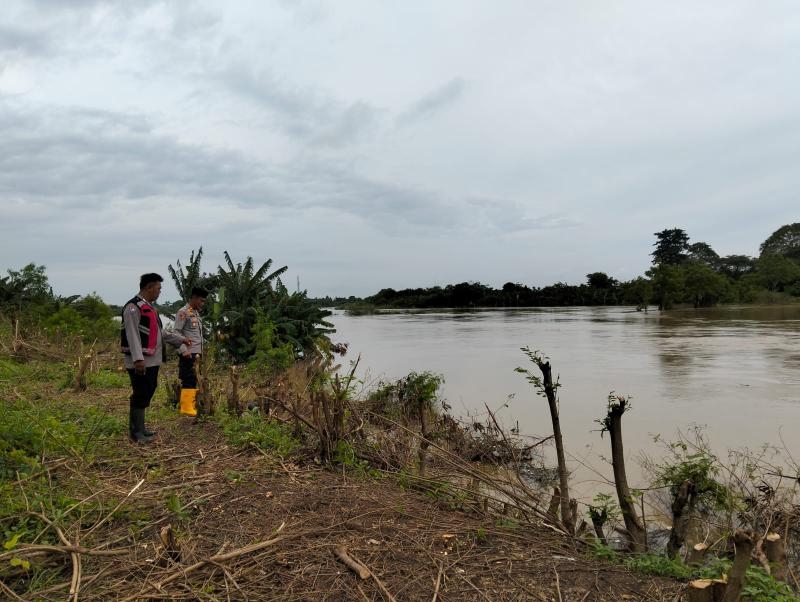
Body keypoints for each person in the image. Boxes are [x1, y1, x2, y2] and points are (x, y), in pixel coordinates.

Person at [121, 273, 189, 443]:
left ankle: (141, 429)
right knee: (141, 392)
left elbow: (161, 333)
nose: (159, 292)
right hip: (142, 361)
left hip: (152, 360)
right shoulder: (133, 307)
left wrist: (181, 340)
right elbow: (132, 334)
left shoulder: (149, 307)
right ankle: (136, 433)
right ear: (149, 287)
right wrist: (138, 359)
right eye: (158, 288)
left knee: (148, 390)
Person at [172, 286, 208, 416]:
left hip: (197, 354)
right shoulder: (183, 312)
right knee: (188, 379)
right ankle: (187, 409)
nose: (202, 304)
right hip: (188, 353)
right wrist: (183, 350)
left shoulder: (196, 313)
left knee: (194, 379)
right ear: (193, 298)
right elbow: (176, 333)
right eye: (201, 301)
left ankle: (191, 406)